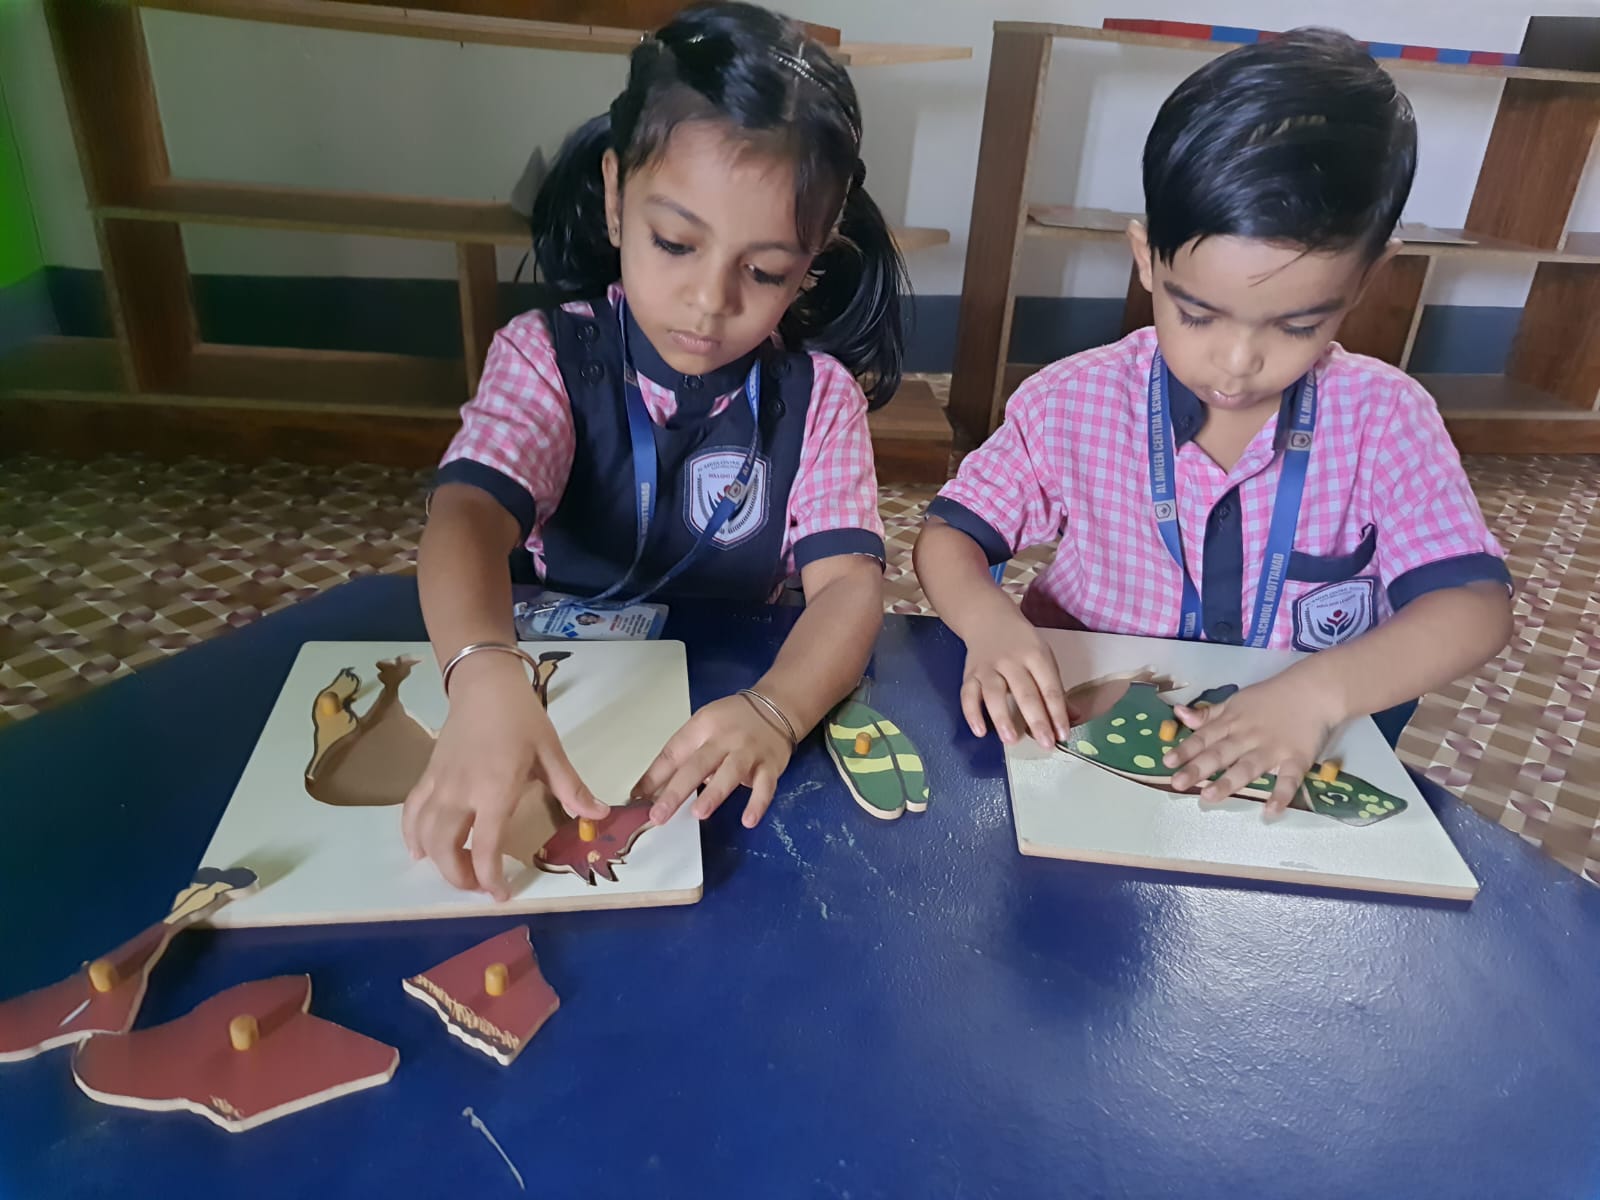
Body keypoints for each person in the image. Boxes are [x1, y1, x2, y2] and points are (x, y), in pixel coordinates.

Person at [915, 28, 1513, 815]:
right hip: (1084, 748)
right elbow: (950, 537)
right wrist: (989, 624)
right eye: (1196, 314)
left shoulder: (1386, 420)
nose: (1236, 362)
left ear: (1370, 277)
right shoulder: (1074, 402)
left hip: (1280, 771)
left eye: (1296, 325)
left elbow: (1475, 608)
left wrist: (1320, 692)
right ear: (1146, 258)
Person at [408, 2, 907, 899]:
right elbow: (467, 517)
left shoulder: (819, 399)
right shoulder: (546, 357)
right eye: (675, 242)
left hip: (729, 707)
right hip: (545, 688)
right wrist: (481, 675)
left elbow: (850, 590)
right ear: (614, 196)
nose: (710, 301)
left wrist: (777, 709)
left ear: (813, 261)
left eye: (765, 271)